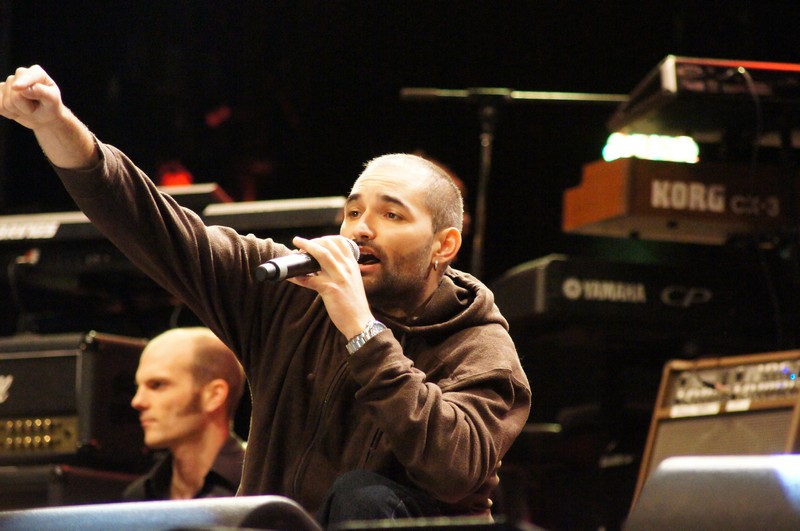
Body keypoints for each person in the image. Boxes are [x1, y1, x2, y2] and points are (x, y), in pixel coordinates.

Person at [0, 65, 531, 527]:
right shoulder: (289, 294)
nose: (360, 229)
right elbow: (152, 223)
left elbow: (454, 468)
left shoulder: (479, 344)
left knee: (363, 496)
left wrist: (362, 331)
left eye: (391, 214)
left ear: (444, 245)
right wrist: (55, 125)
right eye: (352, 211)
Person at [123, 326, 247, 501]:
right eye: (138, 387)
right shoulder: (140, 496)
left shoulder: (261, 485)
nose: (137, 401)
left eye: (157, 385)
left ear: (214, 395)